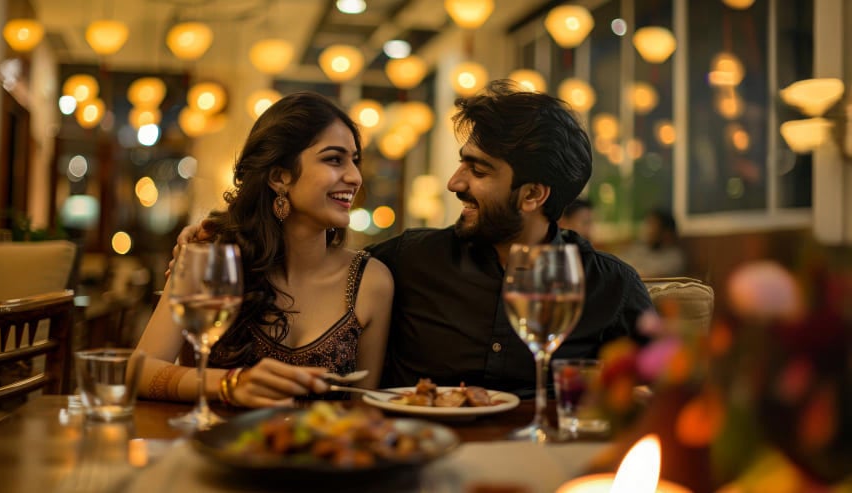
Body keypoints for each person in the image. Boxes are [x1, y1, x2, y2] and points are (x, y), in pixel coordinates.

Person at [175, 81, 651, 398]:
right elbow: (308, 265)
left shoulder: (613, 290)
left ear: (532, 194)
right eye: (462, 161)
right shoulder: (409, 261)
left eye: (477, 169)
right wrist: (220, 238)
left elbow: (675, 398)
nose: (454, 182)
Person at [138, 92, 393, 408]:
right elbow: (137, 372)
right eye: (334, 159)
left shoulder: (371, 281)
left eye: (355, 160)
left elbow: (362, 408)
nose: (354, 177)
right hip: (222, 448)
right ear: (279, 176)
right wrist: (231, 385)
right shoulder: (213, 259)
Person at [619, 208, 686, 278]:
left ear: (666, 233)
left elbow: (651, 276)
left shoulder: (674, 258)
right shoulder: (639, 249)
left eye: (652, 225)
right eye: (647, 224)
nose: (647, 230)